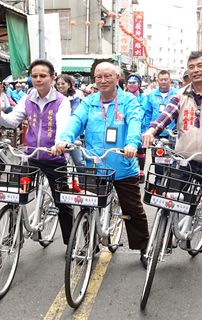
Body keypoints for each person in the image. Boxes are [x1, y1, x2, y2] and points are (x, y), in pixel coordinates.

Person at [142, 51, 202, 270]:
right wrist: (152, 130)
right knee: (174, 200)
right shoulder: (181, 93)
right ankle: (165, 235)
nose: (195, 70)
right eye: (191, 66)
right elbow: (167, 114)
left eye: (199, 65)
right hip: (184, 160)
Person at [53, 62, 150, 268]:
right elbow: (75, 120)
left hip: (122, 165)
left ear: (117, 77)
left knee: (132, 209)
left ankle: (143, 247)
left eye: (107, 76)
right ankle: (89, 244)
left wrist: (132, 144)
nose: (103, 81)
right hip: (94, 165)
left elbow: (135, 123)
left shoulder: (128, 101)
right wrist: (64, 139)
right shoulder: (89, 102)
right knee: (88, 207)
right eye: (98, 77)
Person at [0, 60, 74, 249]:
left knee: (63, 201)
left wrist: (58, 145)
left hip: (54, 158)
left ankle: (72, 243)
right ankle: (14, 236)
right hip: (31, 157)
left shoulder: (62, 102)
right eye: (35, 76)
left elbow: (63, 127)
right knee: (14, 196)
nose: (38, 79)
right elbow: (12, 121)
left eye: (43, 75)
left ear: (52, 78)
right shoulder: (27, 98)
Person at [144, 70, 178, 177]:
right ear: (158, 80)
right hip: (156, 132)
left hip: (171, 132)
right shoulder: (151, 95)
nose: (163, 82)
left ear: (170, 80)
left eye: (166, 79)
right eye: (161, 79)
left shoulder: (177, 94)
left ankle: (169, 179)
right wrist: (147, 130)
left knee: (172, 157)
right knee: (157, 157)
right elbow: (148, 114)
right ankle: (159, 178)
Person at [55, 74, 85, 172]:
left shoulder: (75, 98)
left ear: (69, 85)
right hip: (55, 132)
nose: (60, 86)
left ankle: (83, 185)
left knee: (79, 162)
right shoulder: (52, 97)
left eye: (63, 83)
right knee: (56, 162)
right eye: (58, 83)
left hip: (71, 132)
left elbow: (75, 115)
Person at [126, 73, 149, 183]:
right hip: (126, 126)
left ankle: (141, 171)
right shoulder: (124, 96)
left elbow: (143, 111)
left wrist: (134, 120)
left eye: (134, 83)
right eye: (129, 83)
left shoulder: (143, 97)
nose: (131, 85)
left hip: (141, 127)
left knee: (141, 150)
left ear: (139, 84)